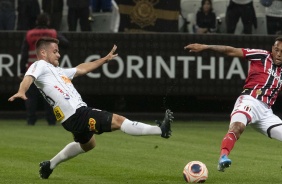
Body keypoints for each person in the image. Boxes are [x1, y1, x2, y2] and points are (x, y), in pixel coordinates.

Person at [9, 37, 173, 179]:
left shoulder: (58, 71)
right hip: (77, 114)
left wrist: (104, 59)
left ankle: (49, 165)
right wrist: (21, 91)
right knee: (118, 120)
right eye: (55, 51)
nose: (59, 54)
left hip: (71, 117)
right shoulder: (40, 65)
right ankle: (161, 130)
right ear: (43, 53)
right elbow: (29, 77)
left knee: (88, 144)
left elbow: (81, 68)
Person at [184, 36, 282, 172]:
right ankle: (223, 157)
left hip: (266, 112)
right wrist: (206, 47)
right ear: (272, 48)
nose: (278, 54)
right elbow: (231, 50)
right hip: (249, 100)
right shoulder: (262, 56)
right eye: (276, 50)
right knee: (237, 127)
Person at [19, 13, 69, 126]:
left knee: (31, 97)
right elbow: (66, 43)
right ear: (48, 22)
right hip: (48, 70)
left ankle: (31, 120)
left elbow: (24, 54)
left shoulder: (29, 34)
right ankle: (51, 120)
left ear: (36, 22)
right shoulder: (52, 33)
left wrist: (22, 71)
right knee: (50, 96)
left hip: (33, 70)